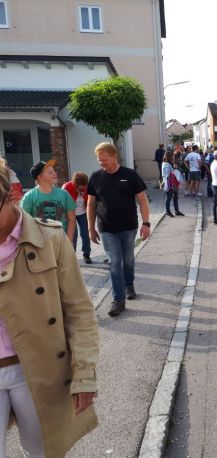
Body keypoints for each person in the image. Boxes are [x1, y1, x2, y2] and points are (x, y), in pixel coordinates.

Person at [0, 162, 99, 457]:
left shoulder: (50, 239)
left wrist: (84, 373)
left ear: (11, 196)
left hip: (37, 368)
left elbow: (79, 310)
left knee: (42, 450)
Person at [87, 142, 151, 317]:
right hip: (106, 228)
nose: (101, 163)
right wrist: (90, 228)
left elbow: (143, 200)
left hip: (128, 227)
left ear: (114, 156)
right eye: (99, 160)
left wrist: (146, 223)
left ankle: (129, 284)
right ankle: (118, 299)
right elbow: (91, 204)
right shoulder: (95, 177)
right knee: (114, 262)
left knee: (128, 259)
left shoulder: (130, 175)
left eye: (104, 160)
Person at [21, 160, 76, 242]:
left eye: (54, 171)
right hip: (40, 243)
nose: (54, 173)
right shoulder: (29, 197)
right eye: (50, 172)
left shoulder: (64, 194)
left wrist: (69, 241)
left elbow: (71, 218)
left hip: (61, 241)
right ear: (40, 177)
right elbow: (23, 222)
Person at [62, 172, 92, 263]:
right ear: (75, 183)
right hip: (71, 214)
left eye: (84, 185)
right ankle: (72, 257)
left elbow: (91, 201)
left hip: (83, 213)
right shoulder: (66, 187)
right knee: (73, 235)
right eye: (80, 186)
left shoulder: (87, 187)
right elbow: (62, 203)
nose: (83, 187)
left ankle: (86, 255)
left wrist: (84, 194)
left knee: (85, 234)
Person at [162, 151, 185, 218]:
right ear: (170, 156)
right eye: (172, 156)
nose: (173, 156)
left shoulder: (163, 163)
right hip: (170, 183)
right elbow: (169, 174)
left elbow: (164, 174)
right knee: (169, 198)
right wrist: (175, 169)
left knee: (174, 197)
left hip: (170, 182)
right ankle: (168, 212)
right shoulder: (168, 164)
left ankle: (176, 211)